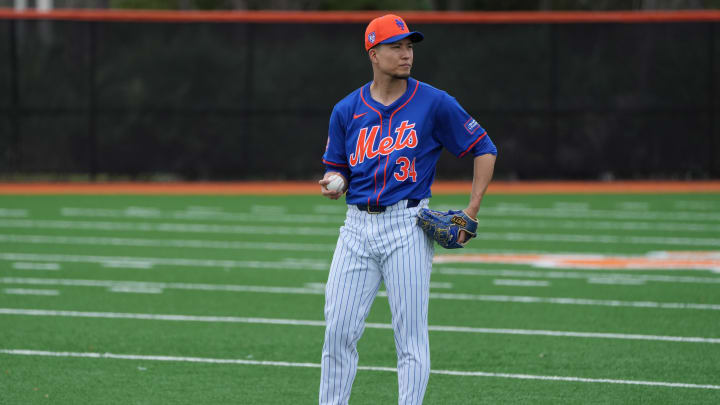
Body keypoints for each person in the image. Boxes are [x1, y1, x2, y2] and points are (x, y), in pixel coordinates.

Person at [317, 14, 497, 405]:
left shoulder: (433, 102)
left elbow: (484, 147)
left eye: (409, 46)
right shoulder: (346, 109)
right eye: (396, 46)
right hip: (355, 228)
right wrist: (338, 182)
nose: (406, 54)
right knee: (338, 331)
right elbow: (339, 168)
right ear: (373, 53)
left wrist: (473, 209)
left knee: (410, 335)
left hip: (408, 226)